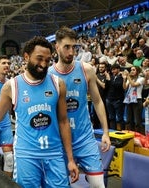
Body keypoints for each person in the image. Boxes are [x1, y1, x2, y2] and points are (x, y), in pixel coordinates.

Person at [0, 36, 79, 187]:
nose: (43, 64)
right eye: (39, 58)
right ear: (27, 57)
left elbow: (63, 121)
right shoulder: (12, 86)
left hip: (54, 154)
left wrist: (70, 159)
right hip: (26, 156)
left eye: (47, 60)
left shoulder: (58, 84)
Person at [48, 26, 111, 188]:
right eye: (66, 47)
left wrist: (105, 132)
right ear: (57, 47)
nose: (71, 52)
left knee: (98, 185)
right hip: (59, 141)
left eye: (74, 47)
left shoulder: (86, 69)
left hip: (84, 138)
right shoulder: (48, 75)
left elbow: (97, 101)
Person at [122, 66, 145, 133]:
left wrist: (128, 76)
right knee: (129, 120)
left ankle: (139, 137)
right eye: (131, 70)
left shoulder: (141, 79)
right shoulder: (130, 79)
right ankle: (131, 136)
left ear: (137, 71)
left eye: (133, 70)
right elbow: (125, 88)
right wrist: (124, 79)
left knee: (137, 121)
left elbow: (134, 84)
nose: (132, 71)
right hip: (129, 100)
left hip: (137, 100)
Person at [106, 63, 126, 131]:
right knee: (111, 117)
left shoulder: (121, 77)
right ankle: (113, 132)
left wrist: (109, 80)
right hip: (109, 99)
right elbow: (107, 87)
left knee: (120, 118)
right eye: (112, 70)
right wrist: (108, 80)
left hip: (118, 100)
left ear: (118, 69)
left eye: (114, 69)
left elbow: (118, 85)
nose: (113, 71)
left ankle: (123, 132)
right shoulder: (111, 77)